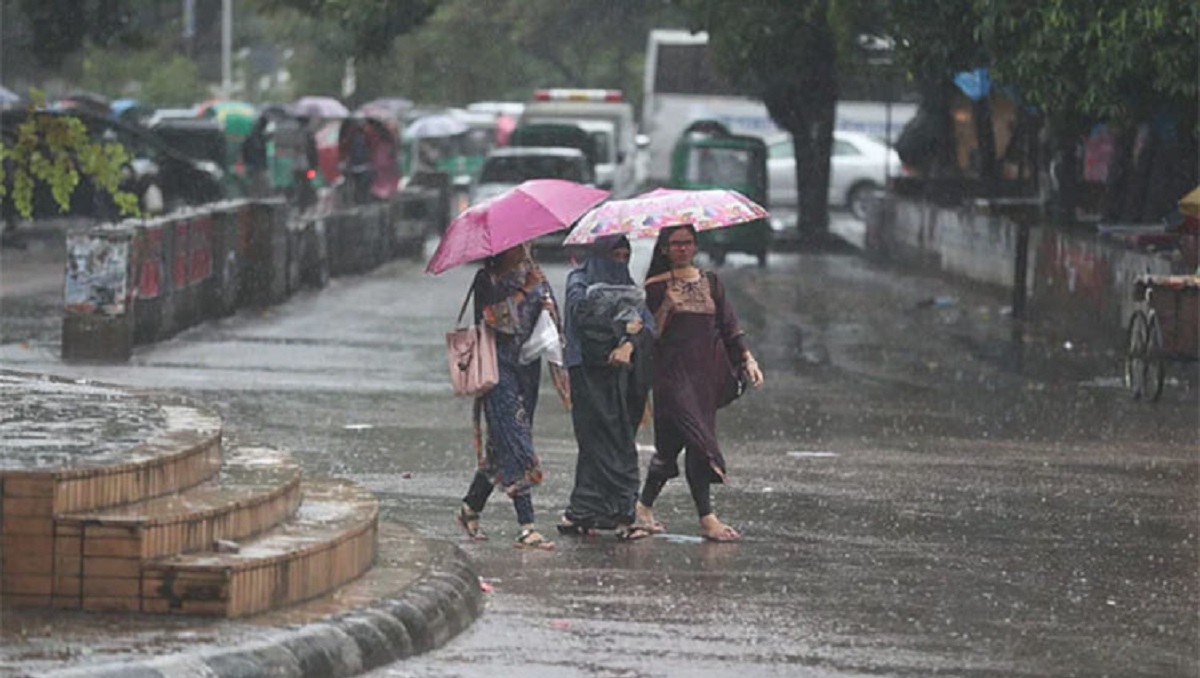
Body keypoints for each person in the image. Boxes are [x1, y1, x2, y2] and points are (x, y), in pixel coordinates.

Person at [634, 224, 764, 542]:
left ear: (695, 246)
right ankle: (707, 518)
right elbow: (650, 337)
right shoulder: (655, 287)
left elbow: (729, 326)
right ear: (664, 249)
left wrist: (747, 359)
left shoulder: (711, 282)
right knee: (699, 442)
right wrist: (668, 306)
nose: (682, 249)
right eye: (675, 244)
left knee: (670, 448)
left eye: (688, 243)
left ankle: (643, 506)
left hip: (704, 379)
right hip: (671, 379)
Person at [456, 242, 560, 550]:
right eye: (518, 244)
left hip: (527, 370)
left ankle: (470, 508)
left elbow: (548, 322)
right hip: (497, 370)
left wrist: (548, 311)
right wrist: (525, 292)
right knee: (516, 443)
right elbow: (492, 319)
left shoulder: (534, 275)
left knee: (500, 446)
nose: (524, 248)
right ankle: (527, 526)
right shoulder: (486, 280)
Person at [558, 235, 656, 540]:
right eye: (615, 252)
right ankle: (621, 513)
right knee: (598, 440)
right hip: (588, 372)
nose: (622, 258)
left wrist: (630, 339)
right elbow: (581, 316)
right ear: (600, 253)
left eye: (626, 252)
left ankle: (586, 511)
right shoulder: (579, 282)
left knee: (618, 437)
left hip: (624, 376)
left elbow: (645, 325)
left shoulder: (629, 283)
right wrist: (618, 325)